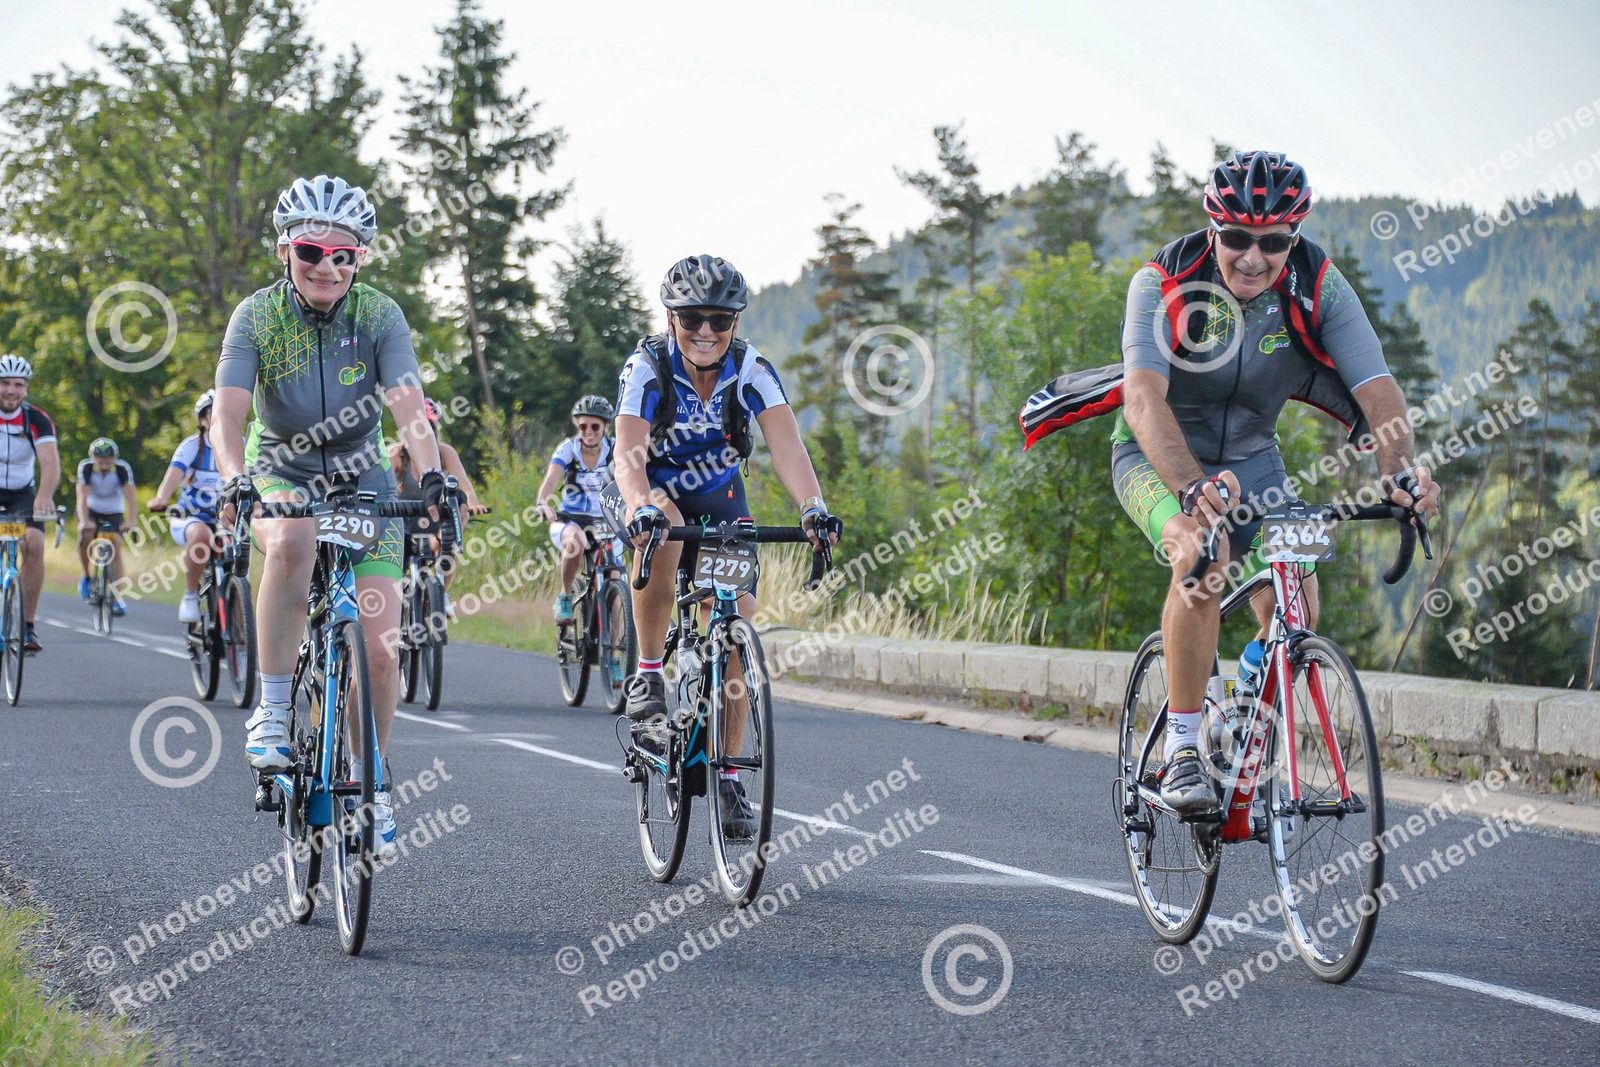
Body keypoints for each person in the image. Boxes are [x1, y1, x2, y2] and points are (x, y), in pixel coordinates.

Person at [1111, 151, 1440, 814]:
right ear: (1214, 230)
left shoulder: (1319, 282)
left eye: (1274, 242)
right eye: (1237, 238)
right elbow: (1142, 400)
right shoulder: (1162, 281)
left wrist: (1400, 471)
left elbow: (1377, 389)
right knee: (1202, 558)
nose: (1254, 257)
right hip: (1156, 456)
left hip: (1254, 462)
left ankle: (1241, 713)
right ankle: (1182, 750)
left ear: (1294, 238)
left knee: (1299, 607)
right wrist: (1189, 486)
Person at [212, 174, 447, 856]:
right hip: (279, 472)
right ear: (286, 250)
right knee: (292, 537)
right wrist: (236, 479)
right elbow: (228, 414)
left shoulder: (378, 315)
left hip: (361, 479)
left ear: (360, 259)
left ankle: (372, 781)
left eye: (345, 255)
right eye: (312, 251)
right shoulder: (256, 317)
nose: (327, 266)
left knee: (380, 650)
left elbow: (409, 403)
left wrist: (432, 474)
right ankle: (273, 710)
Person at [613, 254, 840, 838]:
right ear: (671, 318)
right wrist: (640, 506)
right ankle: (648, 674)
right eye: (692, 318)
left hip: (719, 496)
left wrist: (812, 508)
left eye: (719, 319)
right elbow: (627, 455)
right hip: (651, 490)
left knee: (738, 628)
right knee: (664, 526)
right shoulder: (647, 366)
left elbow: (787, 446)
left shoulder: (751, 368)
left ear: (735, 322)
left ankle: (729, 776)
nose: (706, 331)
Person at [388, 397, 486, 618]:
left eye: (429, 428)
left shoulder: (444, 453)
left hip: (434, 520)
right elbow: (379, 487)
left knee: (449, 542)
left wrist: (473, 503)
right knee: (394, 556)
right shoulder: (395, 455)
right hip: (402, 520)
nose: (424, 434)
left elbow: (462, 482)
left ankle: (441, 592)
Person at [533, 395, 623, 624]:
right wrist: (542, 502)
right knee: (576, 542)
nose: (589, 432)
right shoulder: (568, 449)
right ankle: (565, 596)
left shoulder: (615, 449)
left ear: (605, 427)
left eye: (595, 427)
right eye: (583, 426)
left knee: (615, 579)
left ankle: (616, 645)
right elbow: (551, 480)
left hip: (606, 521)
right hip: (570, 520)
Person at [147, 390, 224, 624]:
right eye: (213, 412)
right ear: (203, 420)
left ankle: (241, 632)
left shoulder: (240, 445)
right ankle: (191, 595)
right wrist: (161, 498)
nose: (220, 416)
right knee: (201, 535)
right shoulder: (191, 447)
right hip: (190, 517)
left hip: (225, 519)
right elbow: (172, 478)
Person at [0, 355, 59, 653]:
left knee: (34, 545)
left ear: (25, 388)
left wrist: (44, 497)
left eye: (18, 385)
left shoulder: (36, 419)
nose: (11, 390)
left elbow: (50, 463)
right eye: (5, 383)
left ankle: (27, 626)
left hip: (23, 494)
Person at [75, 438, 134, 617]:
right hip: (91, 509)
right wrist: (84, 521)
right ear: (93, 458)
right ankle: (86, 576)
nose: (104, 463)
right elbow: (82, 497)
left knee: (116, 545)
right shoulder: (85, 467)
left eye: (107, 459)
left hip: (114, 511)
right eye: (100, 459)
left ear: (114, 458)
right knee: (86, 537)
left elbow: (130, 498)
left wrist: (130, 522)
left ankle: (116, 599)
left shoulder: (122, 469)